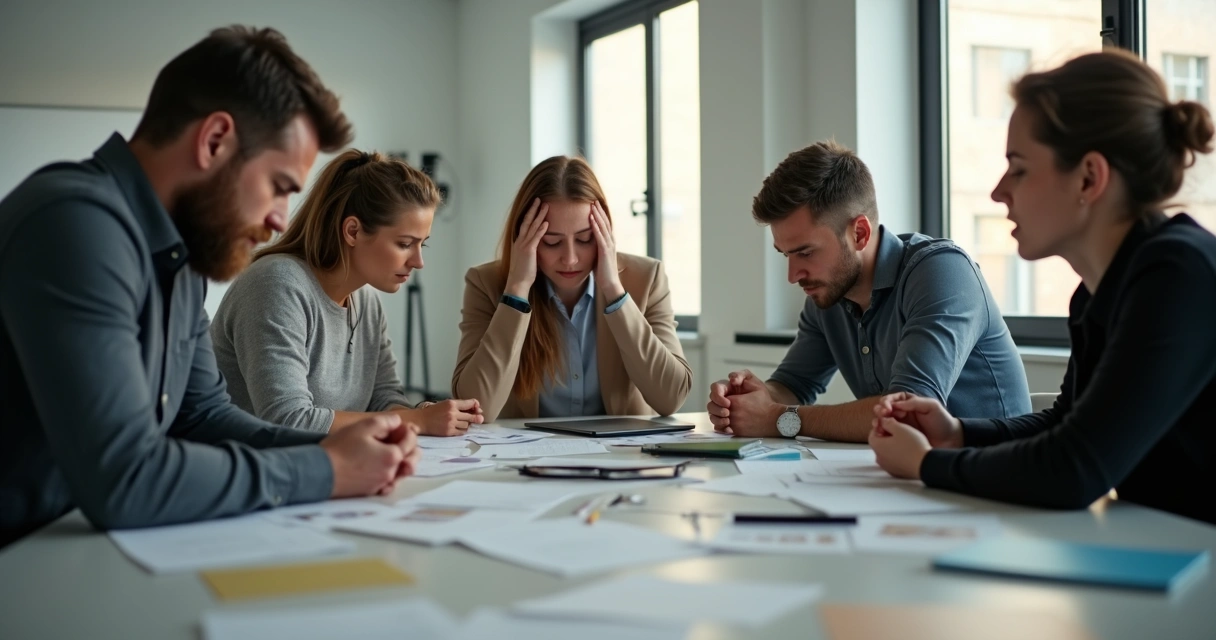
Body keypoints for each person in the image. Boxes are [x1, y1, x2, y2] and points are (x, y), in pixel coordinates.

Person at [0, 27, 421, 548]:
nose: (277, 219)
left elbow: (202, 416)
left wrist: (334, 446)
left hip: (72, 546)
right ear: (214, 141)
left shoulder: (181, 253)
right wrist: (325, 469)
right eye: (279, 186)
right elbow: (126, 477)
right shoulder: (74, 223)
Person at [870, 50, 1216, 525]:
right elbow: (1066, 424)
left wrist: (926, 464)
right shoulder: (1100, 290)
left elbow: (1074, 467)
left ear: (1089, 177)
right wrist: (957, 434)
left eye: (1019, 167)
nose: (998, 191)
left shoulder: (1179, 275)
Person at [708, 141, 1030, 442]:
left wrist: (778, 419)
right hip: (912, 478)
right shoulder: (829, 294)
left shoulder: (941, 273)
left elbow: (907, 416)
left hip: (994, 483)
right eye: (786, 254)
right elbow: (793, 386)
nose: (793, 276)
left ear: (859, 233)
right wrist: (752, 399)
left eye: (805, 253)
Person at [212, 149, 483, 436]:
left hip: (321, 467)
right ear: (352, 231)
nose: (418, 261)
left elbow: (384, 400)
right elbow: (287, 420)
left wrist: (420, 414)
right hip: (248, 470)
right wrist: (414, 421)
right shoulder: (276, 284)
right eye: (405, 244)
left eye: (422, 245)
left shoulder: (366, 300)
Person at [453, 156, 691, 421]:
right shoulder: (485, 284)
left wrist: (615, 291)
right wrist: (517, 290)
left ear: (604, 234)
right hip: (525, 458)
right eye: (552, 242)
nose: (570, 259)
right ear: (523, 239)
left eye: (585, 239)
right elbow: (475, 406)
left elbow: (671, 398)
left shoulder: (646, 279)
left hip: (618, 459)